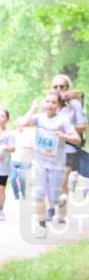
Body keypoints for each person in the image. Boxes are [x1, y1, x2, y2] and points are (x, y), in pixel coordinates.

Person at [18, 90, 80, 235]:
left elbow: (77, 139)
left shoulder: (63, 120)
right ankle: (41, 226)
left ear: (58, 105)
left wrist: (64, 135)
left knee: (53, 198)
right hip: (39, 161)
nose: (50, 105)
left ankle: (60, 201)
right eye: (47, 101)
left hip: (56, 164)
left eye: (53, 102)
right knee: (39, 194)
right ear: (44, 104)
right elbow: (22, 124)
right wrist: (32, 108)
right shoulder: (39, 118)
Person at [52, 75, 87, 208]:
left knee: (63, 178)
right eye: (55, 86)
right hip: (51, 149)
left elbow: (83, 126)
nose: (58, 89)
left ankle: (56, 209)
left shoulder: (74, 105)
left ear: (68, 88)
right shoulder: (50, 103)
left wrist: (66, 131)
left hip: (69, 147)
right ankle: (59, 205)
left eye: (62, 86)